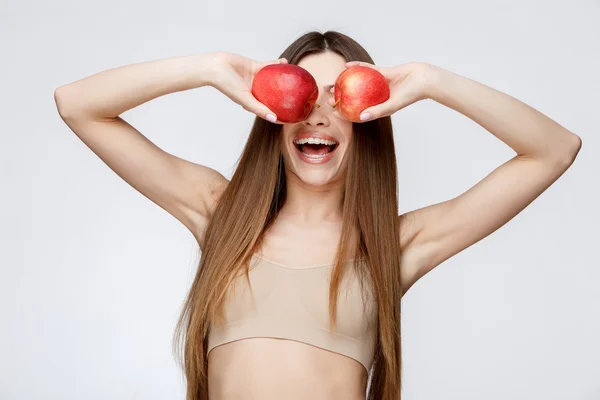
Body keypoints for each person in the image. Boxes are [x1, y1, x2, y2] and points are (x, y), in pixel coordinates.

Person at [54, 30, 582, 400]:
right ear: (272, 113)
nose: (320, 114)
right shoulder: (219, 213)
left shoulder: (392, 246)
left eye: (340, 99)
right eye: (303, 95)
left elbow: (553, 150)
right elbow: (78, 104)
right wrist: (211, 68)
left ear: (367, 121)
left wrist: (430, 80)